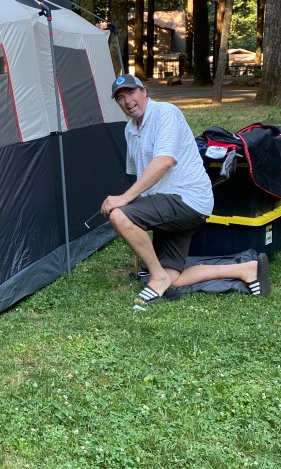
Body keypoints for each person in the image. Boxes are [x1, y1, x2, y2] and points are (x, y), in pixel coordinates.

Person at [101, 74, 271, 304]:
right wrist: (135, 208)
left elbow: (164, 161)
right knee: (174, 279)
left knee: (119, 216)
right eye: (120, 98)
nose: (127, 101)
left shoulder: (165, 113)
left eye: (131, 93)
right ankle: (246, 269)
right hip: (165, 204)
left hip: (187, 200)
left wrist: (124, 200)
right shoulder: (130, 129)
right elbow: (142, 174)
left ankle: (157, 277)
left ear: (144, 92)